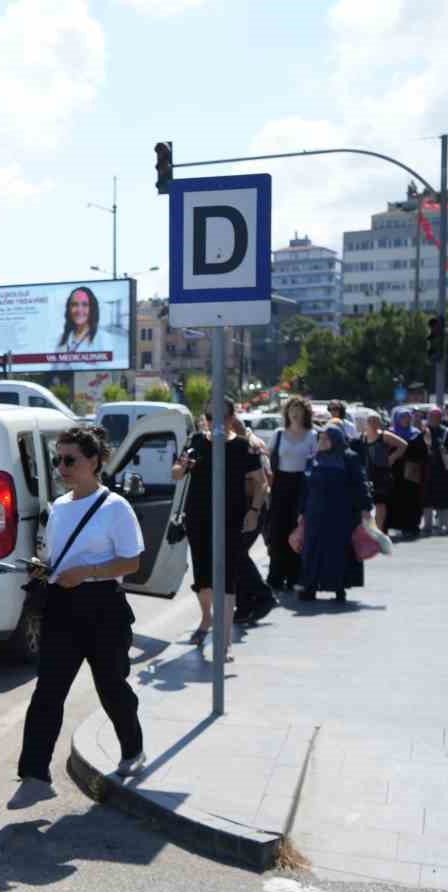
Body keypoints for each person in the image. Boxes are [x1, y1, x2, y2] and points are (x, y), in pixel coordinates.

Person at [15, 427, 146, 791]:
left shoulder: (116, 507)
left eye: (70, 459)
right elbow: (56, 558)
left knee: (110, 685)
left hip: (102, 606)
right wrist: (43, 568)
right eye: (58, 459)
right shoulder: (57, 507)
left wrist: (87, 571)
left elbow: (132, 562)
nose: (62, 466)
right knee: (49, 689)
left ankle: (132, 748)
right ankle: (34, 771)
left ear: (94, 461)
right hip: (61, 604)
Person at [172, 397, 266, 646]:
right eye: (210, 416)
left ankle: (223, 639)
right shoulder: (195, 442)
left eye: (220, 417)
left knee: (227, 577)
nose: (214, 422)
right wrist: (184, 465)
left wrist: (254, 511)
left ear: (231, 418)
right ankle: (206, 619)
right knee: (202, 574)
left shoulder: (242, 447)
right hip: (198, 515)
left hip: (231, 517)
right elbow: (176, 473)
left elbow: (261, 482)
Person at [296, 426, 373, 603]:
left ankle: (339, 588)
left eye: (325, 439)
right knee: (312, 550)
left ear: (335, 440)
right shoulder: (314, 459)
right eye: (320, 438)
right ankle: (310, 587)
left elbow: (360, 484)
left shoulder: (349, 458)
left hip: (340, 514)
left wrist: (365, 508)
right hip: (315, 512)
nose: (321, 442)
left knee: (338, 551)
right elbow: (305, 488)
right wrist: (301, 511)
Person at [265, 397, 316, 590]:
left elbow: (315, 462)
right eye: (291, 409)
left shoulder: (312, 435)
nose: (295, 412)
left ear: (305, 413)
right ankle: (276, 576)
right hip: (280, 485)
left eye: (298, 409)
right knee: (278, 530)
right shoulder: (278, 434)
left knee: (298, 529)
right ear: (286, 413)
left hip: (302, 485)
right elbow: (269, 461)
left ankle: (296, 575)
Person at [235, 412, 277, 625]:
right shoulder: (253, 442)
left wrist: (254, 509)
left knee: (236, 554)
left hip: (253, 505)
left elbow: (264, 481)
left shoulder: (249, 445)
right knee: (236, 555)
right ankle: (244, 605)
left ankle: (262, 597)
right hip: (251, 505)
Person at [353, 413, 406, 534]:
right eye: (370, 420)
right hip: (367, 474)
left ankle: (379, 531)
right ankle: (369, 531)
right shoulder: (363, 437)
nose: (372, 423)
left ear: (379, 423)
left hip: (382, 473)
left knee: (380, 504)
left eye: (375, 420)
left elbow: (403, 445)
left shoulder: (384, 435)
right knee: (366, 504)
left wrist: (392, 457)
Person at [420, 408, 448, 535]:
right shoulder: (422, 431)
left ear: (440, 418)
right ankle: (427, 525)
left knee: (444, 499)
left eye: (436, 417)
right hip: (426, 471)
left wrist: (446, 450)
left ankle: (445, 525)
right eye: (431, 417)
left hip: (443, 472)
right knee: (427, 499)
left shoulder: (447, 433)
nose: (433, 419)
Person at [388, 411, 429, 539]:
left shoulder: (416, 433)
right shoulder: (391, 433)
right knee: (395, 499)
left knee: (412, 499)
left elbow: (423, 452)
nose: (406, 420)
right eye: (403, 417)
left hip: (412, 472)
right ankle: (396, 525)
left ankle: (411, 527)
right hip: (395, 472)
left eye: (408, 417)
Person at [55, 286, 100, 354]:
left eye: (85, 304)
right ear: (69, 309)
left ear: (92, 309)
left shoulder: (102, 338)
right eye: (74, 304)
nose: (79, 310)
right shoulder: (61, 339)